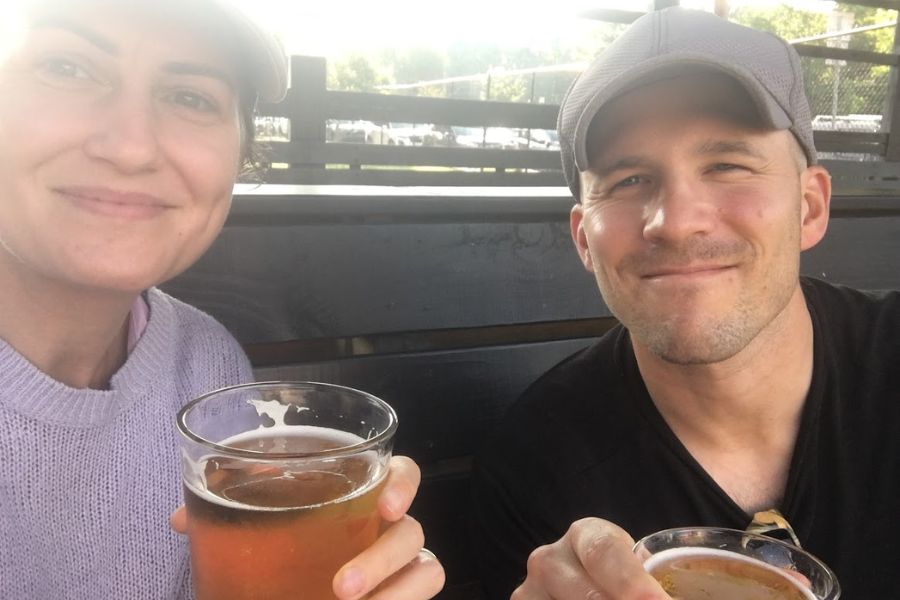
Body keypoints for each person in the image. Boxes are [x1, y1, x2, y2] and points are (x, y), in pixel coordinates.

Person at [0, 0, 444, 598]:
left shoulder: (207, 363)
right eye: (65, 66)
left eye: (190, 97)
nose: (132, 146)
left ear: (240, 155)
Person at [470, 7, 900, 600]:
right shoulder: (536, 462)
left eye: (726, 165)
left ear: (810, 207)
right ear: (583, 241)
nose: (674, 223)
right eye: (628, 181)